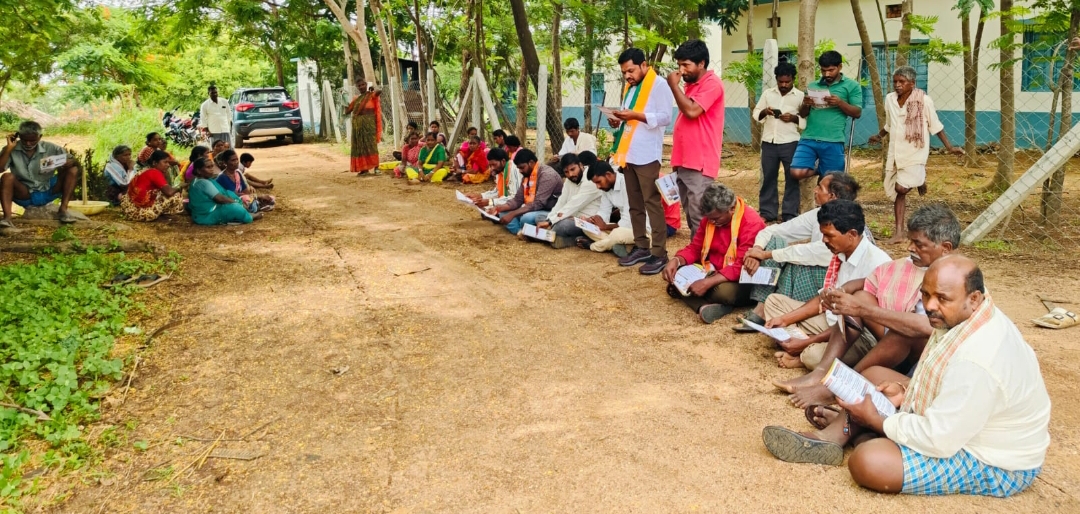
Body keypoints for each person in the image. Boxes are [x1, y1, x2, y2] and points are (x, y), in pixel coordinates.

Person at [763, 256, 1050, 499]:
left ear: (973, 298)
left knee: (869, 462)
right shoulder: (970, 315)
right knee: (873, 375)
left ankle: (860, 432)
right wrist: (906, 391)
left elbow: (940, 438)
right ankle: (839, 436)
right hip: (963, 425)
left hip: (995, 460)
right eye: (925, 295)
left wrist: (878, 420)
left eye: (942, 298)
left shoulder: (978, 358)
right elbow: (950, 387)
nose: (930, 305)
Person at [774, 204, 960, 409]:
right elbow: (869, 281)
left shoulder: (959, 281)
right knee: (861, 297)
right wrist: (844, 291)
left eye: (918, 244)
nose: (910, 248)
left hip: (923, 358)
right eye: (910, 241)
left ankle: (839, 385)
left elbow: (930, 328)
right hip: (889, 344)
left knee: (903, 332)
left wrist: (862, 310)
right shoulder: (908, 265)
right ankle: (821, 372)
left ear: (946, 248)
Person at [762, 199, 892, 370]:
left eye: (829, 235)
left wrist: (810, 341)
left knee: (813, 356)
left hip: (858, 335)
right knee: (774, 302)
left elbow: (854, 324)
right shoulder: (841, 254)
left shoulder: (878, 264)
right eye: (823, 234)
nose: (824, 240)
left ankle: (803, 349)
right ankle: (800, 343)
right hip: (830, 320)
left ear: (852, 234)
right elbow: (824, 301)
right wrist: (785, 319)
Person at [737, 173, 861, 329]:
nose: (815, 190)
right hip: (814, 279)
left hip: (830, 287)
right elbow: (773, 231)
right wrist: (757, 250)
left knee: (796, 261)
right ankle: (762, 306)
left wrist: (767, 255)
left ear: (832, 196)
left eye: (820, 187)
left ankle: (775, 313)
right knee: (776, 241)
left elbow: (818, 253)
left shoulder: (848, 221)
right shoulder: (819, 214)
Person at [868, 66, 965, 245]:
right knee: (895, 189)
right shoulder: (890, 99)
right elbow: (889, 124)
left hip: (915, 150)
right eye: (895, 81)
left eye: (902, 82)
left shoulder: (924, 101)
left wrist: (950, 147)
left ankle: (917, 181)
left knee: (901, 189)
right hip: (896, 151)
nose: (897, 85)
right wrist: (879, 136)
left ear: (912, 83)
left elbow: (935, 126)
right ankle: (899, 231)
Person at [609, 47, 675, 275]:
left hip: (647, 155)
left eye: (631, 70)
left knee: (651, 203)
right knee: (634, 203)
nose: (627, 76)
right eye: (624, 72)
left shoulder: (659, 85)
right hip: (629, 154)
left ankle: (659, 253)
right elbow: (628, 117)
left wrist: (636, 115)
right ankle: (641, 246)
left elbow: (666, 117)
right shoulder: (630, 88)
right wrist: (618, 120)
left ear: (644, 65)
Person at [661, 183, 766, 324]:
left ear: (731, 209)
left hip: (744, 276)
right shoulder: (710, 218)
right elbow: (695, 248)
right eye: (709, 218)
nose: (711, 222)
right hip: (713, 269)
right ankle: (706, 306)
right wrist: (676, 260)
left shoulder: (751, 223)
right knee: (677, 274)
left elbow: (741, 265)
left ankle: (696, 299)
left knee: (723, 292)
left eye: (716, 218)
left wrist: (707, 283)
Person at [667, 39, 726, 236]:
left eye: (686, 65)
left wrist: (673, 86)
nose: (681, 70)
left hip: (699, 162)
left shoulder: (712, 84)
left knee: (700, 215)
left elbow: (692, 111)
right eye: (679, 65)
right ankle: (697, 249)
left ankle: (705, 252)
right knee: (691, 213)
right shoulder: (692, 84)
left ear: (701, 63)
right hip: (685, 161)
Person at [789, 51, 863, 181]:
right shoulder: (813, 86)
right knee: (796, 172)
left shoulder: (852, 86)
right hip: (809, 137)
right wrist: (806, 104)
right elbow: (803, 114)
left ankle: (825, 173)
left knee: (832, 181)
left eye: (831, 70)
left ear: (840, 67)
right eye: (823, 70)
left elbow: (857, 113)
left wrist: (839, 102)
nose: (827, 74)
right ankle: (820, 169)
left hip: (833, 139)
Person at [0, 121, 82, 227]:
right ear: (18, 136)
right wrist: (8, 149)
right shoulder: (11, 149)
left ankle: (63, 210)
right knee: (7, 177)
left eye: (32, 140)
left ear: (40, 137)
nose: (28, 144)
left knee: (73, 170)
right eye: (24, 140)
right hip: (25, 193)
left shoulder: (51, 148)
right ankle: (7, 218)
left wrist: (69, 162)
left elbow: (74, 161)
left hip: (48, 189)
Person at [753, 62, 806, 222]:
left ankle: (789, 214)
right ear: (776, 79)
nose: (784, 85)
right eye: (780, 81)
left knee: (792, 178)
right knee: (769, 177)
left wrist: (793, 118)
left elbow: (805, 121)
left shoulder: (800, 96)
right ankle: (767, 212)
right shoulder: (768, 94)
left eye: (787, 82)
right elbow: (756, 114)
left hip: (790, 142)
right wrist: (765, 111)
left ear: (793, 79)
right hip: (769, 141)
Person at [488, 149, 562, 234]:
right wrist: (499, 207)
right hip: (532, 208)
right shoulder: (527, 175)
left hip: (549, 210)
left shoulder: (547, 175)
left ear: (531, 163)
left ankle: (525, 230)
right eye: (519, 168)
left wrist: (513, 214)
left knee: (526, 218)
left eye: (522, 167)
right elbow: (517, 200)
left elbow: (538, 203)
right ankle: (520, 232)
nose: (520, 171)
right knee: (503, 212)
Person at [537, 152, 602, 247]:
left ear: (580, 165)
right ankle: (554, 237)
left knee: (562, 226)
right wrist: (549, 219)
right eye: (566, 172)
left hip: (587, 221)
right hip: (569, 217)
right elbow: (561, 202)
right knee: (539, 218)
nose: (571, 174)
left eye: (573, 169)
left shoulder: (591, 179)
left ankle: (571, 240)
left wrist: (551, 222)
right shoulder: (569, 180)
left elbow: (574, 204)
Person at [188, 157, 260, 225]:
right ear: (198, 171)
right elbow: (220, 199)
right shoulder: (203, 182)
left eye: (212, 166)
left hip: (201, 215)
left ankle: (244, 211)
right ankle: (248, 216)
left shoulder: (202, 180)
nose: (212, 169)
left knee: (230, 193)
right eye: (208, 167)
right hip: (206, 216)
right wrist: (237, 203)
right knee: (235, 208)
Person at [121, 150, 185, 222]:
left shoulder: (145, 170)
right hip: (138, 213)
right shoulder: (155, 172)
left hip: (128, 209)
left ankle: (158, 211)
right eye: (165, 162)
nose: (168, 165)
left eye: (168, 162)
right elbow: (169, 192)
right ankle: (158, 214)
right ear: (154, 163)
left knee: (161, 193)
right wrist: (180, 186)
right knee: (176, 196)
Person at [346, 80, 383, 175]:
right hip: (358, 127)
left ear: (366, 85)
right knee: (361, 147)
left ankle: (376, 168)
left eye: (363, 84)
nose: (361, 86)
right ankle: (364, 169)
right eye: (359, 85)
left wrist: (374, 89)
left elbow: (379, 91)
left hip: (369, 126)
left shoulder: (371, 95)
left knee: (372, 146)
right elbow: (347, 111)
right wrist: (343, 98)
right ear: (357, 87)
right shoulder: (356, 98)